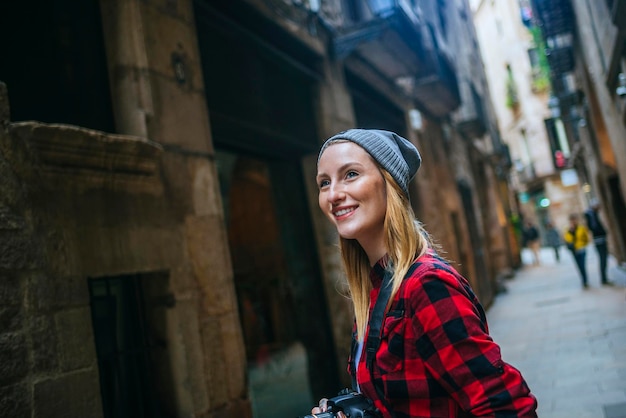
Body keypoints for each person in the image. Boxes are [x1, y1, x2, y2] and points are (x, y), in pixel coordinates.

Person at [311, 129, 537, 417]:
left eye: (351, 174)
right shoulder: (374, 290)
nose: (334, 194)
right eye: (324, 183)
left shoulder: (426, 285)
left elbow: (507, 407)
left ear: (388, 183)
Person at [584, 201, 611, 285]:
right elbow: (594, 227)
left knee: (603, 258)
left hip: (599, 239)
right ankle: (604, 278)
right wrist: (602, 232)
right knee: (603, 258)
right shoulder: (591, 215)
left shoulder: (591, 214)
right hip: (599, 240)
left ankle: (604, 278)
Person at [563, 214, 590, 288]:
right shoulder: (568, 230)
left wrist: (583, 244)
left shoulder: (581, 228)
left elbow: (586, 238)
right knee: (579, 266)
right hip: (574, 251)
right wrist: (571, 232)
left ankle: (585, 281)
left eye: (574, 220)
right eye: (572, 220)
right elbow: (567, 239)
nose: (573, 222)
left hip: (581, 249)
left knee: (583, 265)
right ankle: (583, 280)